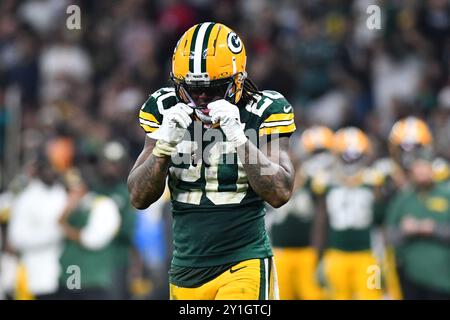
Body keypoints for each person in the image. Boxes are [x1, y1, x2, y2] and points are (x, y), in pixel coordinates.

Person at [127, 22, 296, 300]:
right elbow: (138, 197)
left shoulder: (264, 108)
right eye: (193, 89)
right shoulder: (165, 108)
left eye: (213, 88)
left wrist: (240, 140)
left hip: (244, 262)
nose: (202, 97)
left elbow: (280, 191)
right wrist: (163, 148)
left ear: (238, 80)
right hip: (185, 269)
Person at [314, 127, 384, 300]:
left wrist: (384, 255)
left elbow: (381, 219)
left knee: (371, 296)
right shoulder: (325, 181)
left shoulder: (373, 179)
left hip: (367, 255)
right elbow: (321, 220)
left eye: (356, 155)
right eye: (346, 155)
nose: (351, 160)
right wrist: (317, 256)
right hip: (336, 254)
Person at [386, 117, 450, 299]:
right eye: (404, 149)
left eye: (416, 149)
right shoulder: (390, 180)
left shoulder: (442, 181)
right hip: (404, 266)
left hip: (439, 273)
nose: (409, 156)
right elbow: (387, 230)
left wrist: (431, 228)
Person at [268, 126, 334, 300]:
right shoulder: (269, 180)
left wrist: (318, 250)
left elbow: (322, 215)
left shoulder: (312, 181)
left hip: (307, 252)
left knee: (314, 295)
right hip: (279, 252)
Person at [7, 153, 67, 300]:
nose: (52, 172)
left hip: (67, 273)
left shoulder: (63, 195)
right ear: (39, 171)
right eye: (48, 168)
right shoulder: (27, 199)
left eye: (55, 168)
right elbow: (17, 238)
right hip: (37, 274)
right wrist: (55, 234)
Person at [58, 167, 121, 300]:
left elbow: (91, 240)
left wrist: (64, 226)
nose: (71, 192)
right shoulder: (68, 206)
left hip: (93, 281)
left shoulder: (103, 204)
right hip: (70, 278)